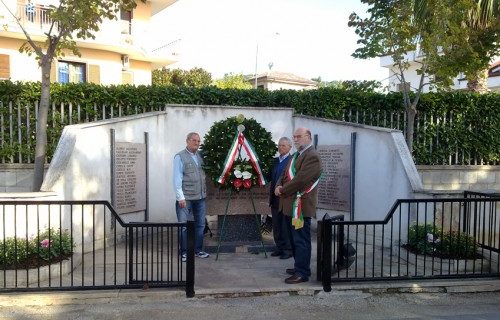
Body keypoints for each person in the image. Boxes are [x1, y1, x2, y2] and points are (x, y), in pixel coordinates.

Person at [275, 127, 322, 284]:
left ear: (308, 137)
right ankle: (299, 266)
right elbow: (284, 174)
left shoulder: (312, 156)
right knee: (294, 239)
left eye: (299, 137)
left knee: (301, 240)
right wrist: (277, 185)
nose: (295, 140)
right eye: (294, 137)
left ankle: (302, 272)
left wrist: (282, 190)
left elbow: (301, 179)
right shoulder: (296, 155)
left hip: (300, 207)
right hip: (290, 205)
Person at [173, 132, 210, 262]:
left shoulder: (200, 156)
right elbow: (177, 178)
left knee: (200, 225)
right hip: (186, 198)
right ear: (187, 141)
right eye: (194, 140)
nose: (197, 143)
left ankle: (198, 250)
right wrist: (180, 197)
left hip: (200, 197)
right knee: (183, 226)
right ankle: (184, 252)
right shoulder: (180, 157)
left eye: (198, 141)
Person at [268, 137, 293, 259]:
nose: (280, 148)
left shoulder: (292, 161)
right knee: (276, 225)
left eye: (283, 145)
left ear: (289, 147)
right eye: (279, 145)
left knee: (285, 226)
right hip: (275, 198)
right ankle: (279, 247)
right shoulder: (275, 161)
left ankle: (288, 250)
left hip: (285, 199)